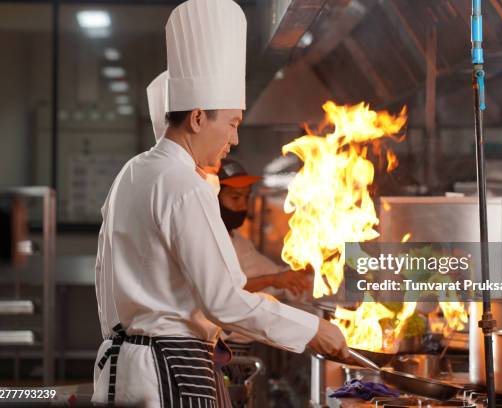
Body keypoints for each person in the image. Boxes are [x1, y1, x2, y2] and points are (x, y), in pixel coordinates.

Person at [93, 1, 349, 407]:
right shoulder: (183, 185)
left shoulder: (134, 172)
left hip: (124, 365)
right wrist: (311, 329)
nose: (234, 140)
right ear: (198, 118)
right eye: (232, 123)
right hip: (169, 369)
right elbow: (223, 301)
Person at [217, 158, 310, 297]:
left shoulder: (238, 239)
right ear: (213, 196)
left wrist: (308, 269)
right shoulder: (209, 241)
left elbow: (274, 273)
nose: (243, 206)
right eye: (235, 197)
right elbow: (223, 292)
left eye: (246, 197)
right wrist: (272, 280)